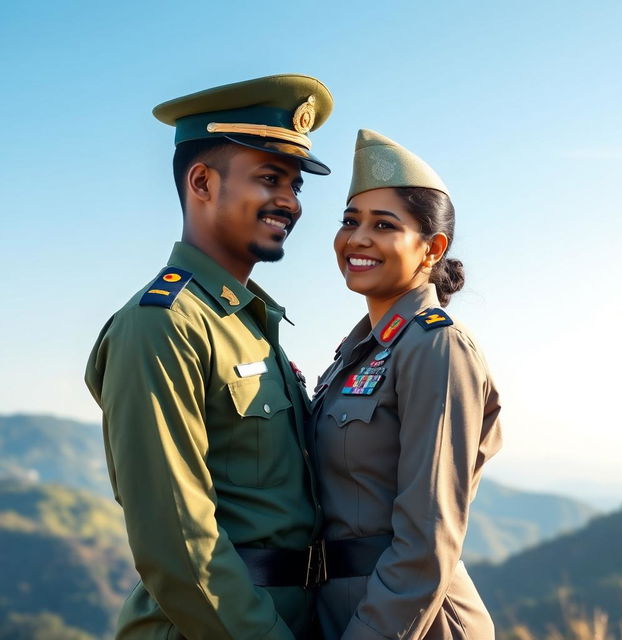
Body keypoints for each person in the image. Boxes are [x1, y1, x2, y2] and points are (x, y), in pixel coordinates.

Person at [85, 74, 333, 640]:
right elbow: (176, 540)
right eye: (270, 178)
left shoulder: (246, 323)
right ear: (202, 181)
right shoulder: (163, 323)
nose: (290, 203)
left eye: (296, 186)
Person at [309, 129, 503, 640]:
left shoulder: (437, 346)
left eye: (383, 225)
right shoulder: (359, 353)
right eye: (350, 222)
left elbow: (428, 537)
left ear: (431, 248)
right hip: (346, 610)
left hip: (411, 624)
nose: (358, 238)